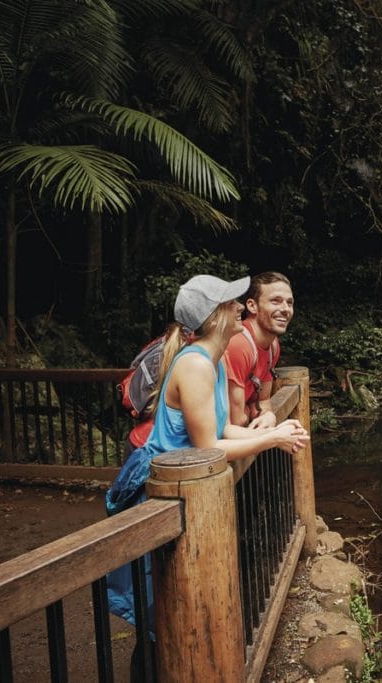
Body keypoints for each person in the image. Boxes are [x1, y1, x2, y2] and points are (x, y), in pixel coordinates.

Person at [105, 274, 309, 650]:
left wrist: (276, 432)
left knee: (179, 604)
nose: (239, 307)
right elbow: (208, 446)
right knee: (162, 610)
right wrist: (270, 439)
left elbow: (224, 429)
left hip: (189, 488)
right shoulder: (196, 365)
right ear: (215, 317)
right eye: (232, 303)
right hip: (165, 494)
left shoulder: (212, 361)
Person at [223, 271, 295, 428]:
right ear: (252, 306)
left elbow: (263, 401)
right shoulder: (238, 344)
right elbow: (236, 420)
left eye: (289, 303)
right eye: (276, 301)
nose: (285, 309)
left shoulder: (272, 346)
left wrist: (268, 416)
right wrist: (251, 411)